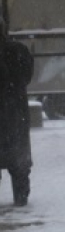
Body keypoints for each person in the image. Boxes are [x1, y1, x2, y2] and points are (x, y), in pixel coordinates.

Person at [0, 16, 34, 206]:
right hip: (15, 111)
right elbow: (27, 77)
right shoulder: (18, 50)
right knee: (19, 155)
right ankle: (21, 194)